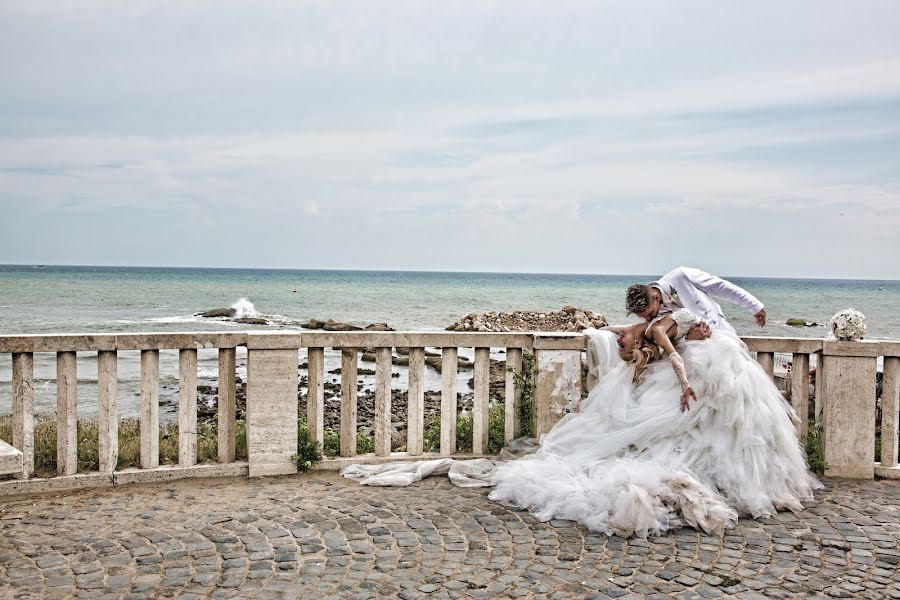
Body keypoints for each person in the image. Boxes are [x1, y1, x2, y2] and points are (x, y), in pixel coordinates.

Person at [489, 308, 819, 538]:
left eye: (622, 342)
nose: (620, 343)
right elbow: (620, 334)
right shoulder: (641, 331)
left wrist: (688, 374)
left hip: (696, 361)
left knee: (725, 415)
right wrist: (599, 331)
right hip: (690, 359)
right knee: (695, 427)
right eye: (620, 342)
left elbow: (673, 353)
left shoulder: (652, 328)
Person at [624, 266, 767, 336]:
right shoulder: (654, 314)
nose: (649, 319)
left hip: (720, 332)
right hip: (692, 349)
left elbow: (720, 287)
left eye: (649, 314)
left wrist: (753, 305)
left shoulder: (681, 276)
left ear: (655, 297)